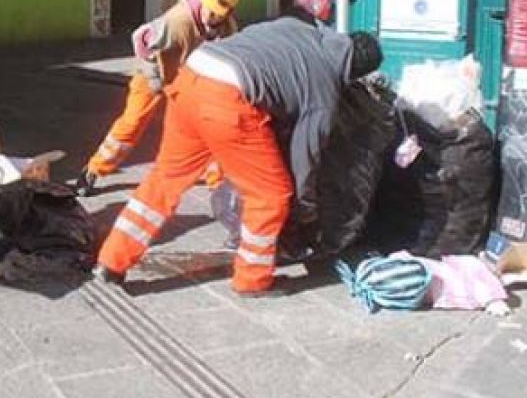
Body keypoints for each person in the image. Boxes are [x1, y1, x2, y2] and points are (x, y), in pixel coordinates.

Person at [94, 16, 383, 295]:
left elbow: (258, 38)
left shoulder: (298, 27)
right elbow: (305, 153)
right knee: (270, 196)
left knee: (164, 179)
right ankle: (252, 280)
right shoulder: (325, 86)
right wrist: (305, 206)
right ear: (354, 71)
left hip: (191, 76)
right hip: (228, 100)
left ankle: (111, 261)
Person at [74, 0, 242, 197]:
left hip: (186, 80)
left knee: (210, 125)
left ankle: (217, 183)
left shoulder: (228, 29)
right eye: (210, 9)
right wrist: (154, 76)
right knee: (132, 122)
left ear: (228, 13)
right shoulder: (177, 20)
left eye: (219, 13)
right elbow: (140, 38)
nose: (212, 16)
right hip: (153, 76)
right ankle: (93, 170)